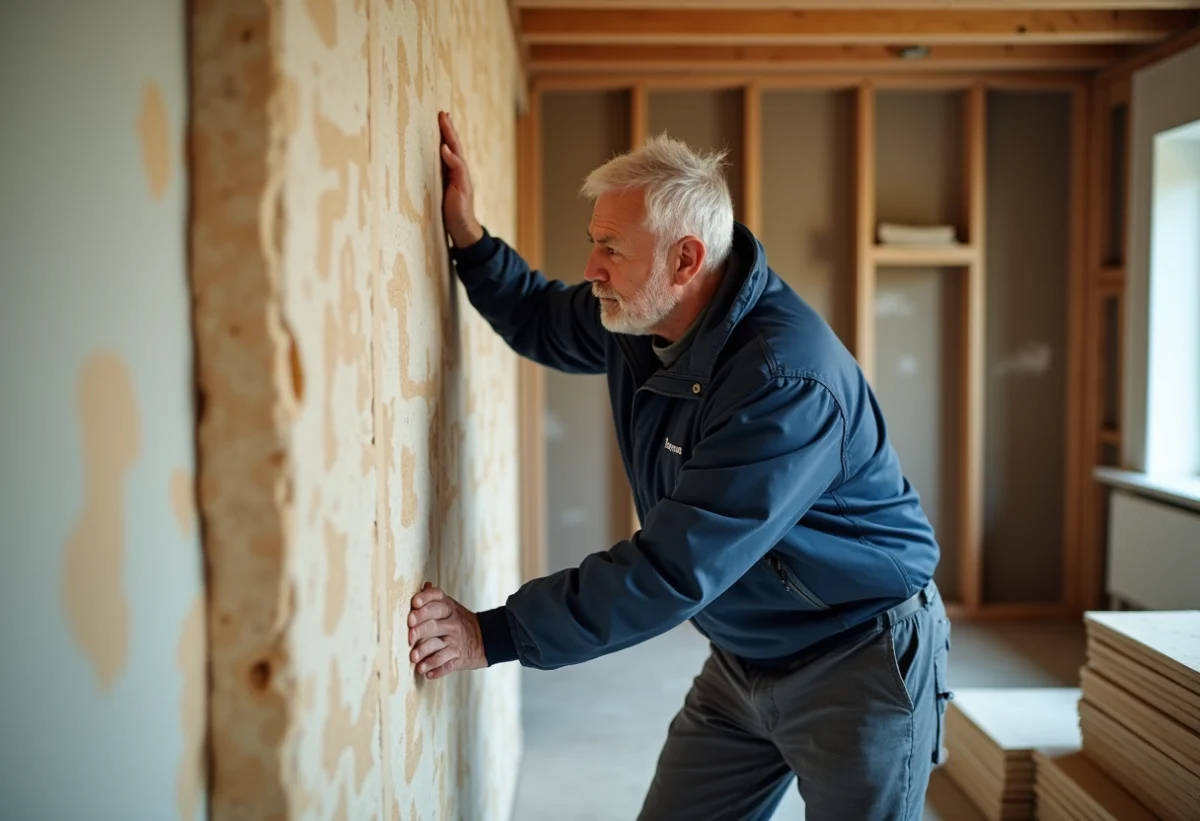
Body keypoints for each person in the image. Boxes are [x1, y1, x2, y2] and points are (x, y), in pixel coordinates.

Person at [407, 109, 953, 821]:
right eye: (593, 242)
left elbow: (672, 569)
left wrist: (491, 633)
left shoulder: (783, 383)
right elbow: (542, 318)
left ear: (685, 260)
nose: (591, 268)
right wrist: (468, 237)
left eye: (611, 248)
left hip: (857, 660)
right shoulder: (643, 315)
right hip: (743, 653)